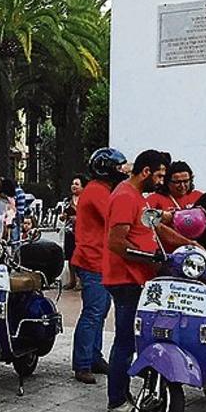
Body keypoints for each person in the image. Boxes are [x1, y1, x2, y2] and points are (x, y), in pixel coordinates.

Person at [103, 150, 194, 412]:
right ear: (145, 172)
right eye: (159, 175)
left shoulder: (136, 197)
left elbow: (154, 227)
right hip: (125, 280)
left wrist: (189, 244)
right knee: (124, 340)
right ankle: (117, 399)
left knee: (134, 337)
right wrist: (151, 258)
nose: (161, 181)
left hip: (138, 278)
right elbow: (116, 243)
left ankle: (126, 389)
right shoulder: (123, 197)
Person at [70, 148, 127, 385]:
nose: (122, 172)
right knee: (93, 312)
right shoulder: (97, 191)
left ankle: (93, 356)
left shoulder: (101, 190)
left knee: (100, 310)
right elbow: (115, 218)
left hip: (100, 260)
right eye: (118, 168)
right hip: (92, 259)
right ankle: (82, 363)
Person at [61, 174, 88, 290]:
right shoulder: (67, 200)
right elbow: (63, 214)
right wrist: (63, 217)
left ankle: (80, 280)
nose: (74, 186)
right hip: (69, 231)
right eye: (73, 184)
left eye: (77, 184)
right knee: (70, 256)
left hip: (82, 231)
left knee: (80, 256)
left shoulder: (86, 199)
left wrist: (79, 218)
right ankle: (72, 280)